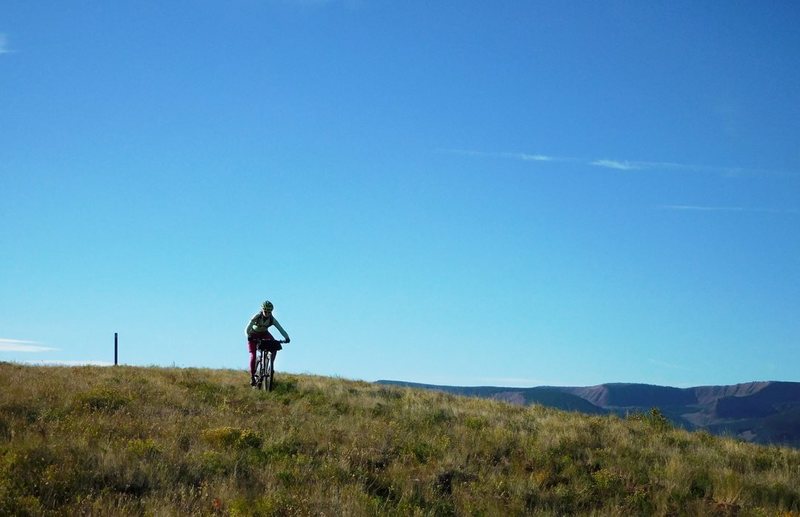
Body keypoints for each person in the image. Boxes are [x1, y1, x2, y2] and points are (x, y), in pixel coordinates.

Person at [246, 300, 290, 386]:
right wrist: (248, 336)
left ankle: (270, 367)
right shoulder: (257, 317)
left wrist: (287, 337)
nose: (267, 313)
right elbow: (247, 329)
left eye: (269, 311)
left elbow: (280, 329)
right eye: (265, 311)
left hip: (264, 334)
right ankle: (252, 376)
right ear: (262, 310)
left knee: (275, 346)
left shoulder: (271, 319)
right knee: (253, 355)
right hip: (253, 334)